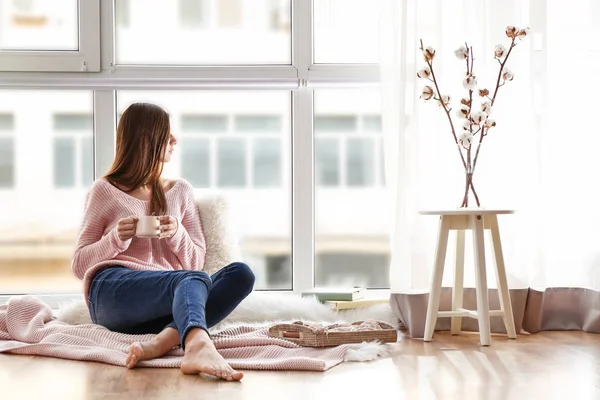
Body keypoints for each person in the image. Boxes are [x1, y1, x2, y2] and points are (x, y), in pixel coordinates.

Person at [71, 102, 255, 381]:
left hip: (166, 300)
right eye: (166, 134)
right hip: (112, 293)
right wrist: (115, 240)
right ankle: (198, 345)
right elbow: (79, 264)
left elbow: (195, 263)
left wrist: (177, 233)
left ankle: (160, 343)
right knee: (189, 280)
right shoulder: (104, 191)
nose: (174, 140)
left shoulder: (180, 190)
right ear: (145, 139)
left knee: (241, 273)